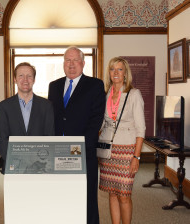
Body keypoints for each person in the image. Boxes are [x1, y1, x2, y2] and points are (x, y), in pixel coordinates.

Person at [48, 46, 105, 224]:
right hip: (58, 151)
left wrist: (80, 146)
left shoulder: (95, 85)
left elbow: (96, 119)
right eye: (67, 60)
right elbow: (53, 118)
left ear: (83, 63)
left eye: (75, 60)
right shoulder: (54, 86)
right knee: (62, 193)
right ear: (63, 64)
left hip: (83, 151)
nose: (71, 64)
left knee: (87, 195)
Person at [98, 57, 145, 224]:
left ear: (125, 74)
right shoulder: (104, 95)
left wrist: (136, 157)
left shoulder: (133, 94)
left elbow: (141, 129)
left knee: (124, 195)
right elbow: (101, 123)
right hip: (107, 150)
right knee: (112, 192)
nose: (115, 73)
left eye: (119, 70)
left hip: (126, 151)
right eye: (112, 69)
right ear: (109, 73)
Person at [0, 62, 54, 173]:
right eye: (21, 75)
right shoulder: (4, 106)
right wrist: (13, 162)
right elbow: (2, 139)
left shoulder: (46, 106)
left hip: (40, 168)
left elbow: (49, 137)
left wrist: (40, 163)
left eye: (29, 76)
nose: (25, 79)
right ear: (15, 79)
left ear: (34, 79)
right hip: (14, 166)